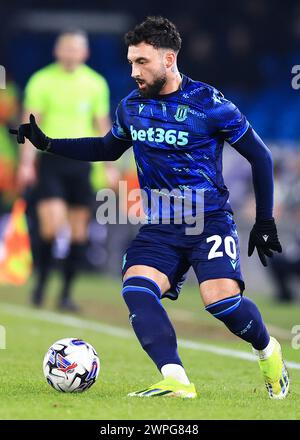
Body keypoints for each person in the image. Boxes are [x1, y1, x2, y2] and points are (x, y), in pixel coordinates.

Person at [10, 16, 289, 399]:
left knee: (221, 302)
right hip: (161, 223)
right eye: (130, 62)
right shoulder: (131, 107)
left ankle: (268, 349)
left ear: (169, 59)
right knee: (137, 287)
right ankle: (175, 379)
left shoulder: (209, 103)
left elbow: (260, 156)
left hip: (207, 220)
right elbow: (107, 148)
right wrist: (47, 143)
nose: (133, 71)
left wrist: (265, 220)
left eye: (141, 62)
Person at [17, 30, 112, 311]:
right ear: (57, 51)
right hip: (51, 160)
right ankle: (42, 283)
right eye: (66, 48)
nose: (70, 54)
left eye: (76, 49)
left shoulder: (95, 83)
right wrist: (25, 162)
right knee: (51, 227)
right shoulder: (42, 80)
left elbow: (101, 123)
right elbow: (30, 123)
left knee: (78, 234)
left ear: (85, 53)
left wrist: (109, 164)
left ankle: (66, 295)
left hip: (82, 163)